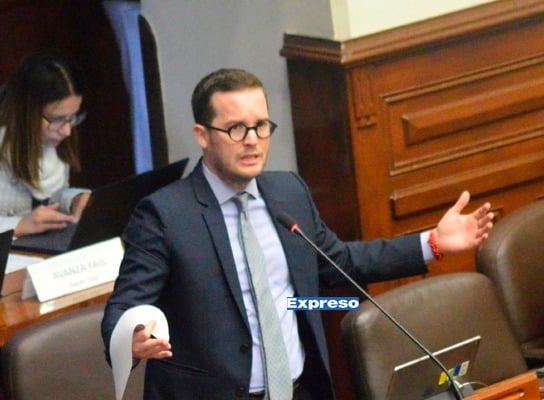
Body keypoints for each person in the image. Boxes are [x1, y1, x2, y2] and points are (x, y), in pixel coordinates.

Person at [101, 69, 494, 400]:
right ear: (202, 135)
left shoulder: (288, 192)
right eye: (236, 128)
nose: (252, 140)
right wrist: (129, 337)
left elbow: (340, 262)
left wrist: (432, 243)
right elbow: (123, 308)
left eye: (261, 126)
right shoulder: (165, 215)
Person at [0, 51, 90, 238]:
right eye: (57, 119)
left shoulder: (54, 134)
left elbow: (45, 200)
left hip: (35, 251)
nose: (67, 131)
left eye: (73, 117)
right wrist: (17, 226)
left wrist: (72, 200)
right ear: (26, 111)